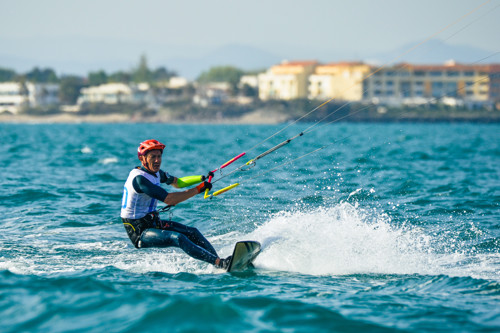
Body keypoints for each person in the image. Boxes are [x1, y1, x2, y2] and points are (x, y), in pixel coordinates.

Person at [120, 139, 231, 269]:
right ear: (143, 159)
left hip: (153, 222)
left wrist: (201, 179)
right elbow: (169, 199)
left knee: (193, 232)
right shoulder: (140, 179)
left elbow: (178, 183)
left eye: (159, 156)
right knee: (178, 238)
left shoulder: (157, 173)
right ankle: (220, 263)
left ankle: (220, 262)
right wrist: (197, 189)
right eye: (153, 157)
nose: (157, 161)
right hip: (139, 231)